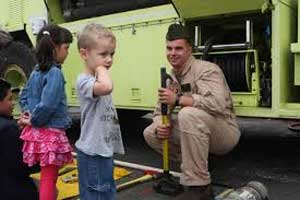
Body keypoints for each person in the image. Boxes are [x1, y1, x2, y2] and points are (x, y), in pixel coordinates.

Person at [143, 23, 241, 200]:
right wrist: (160, 126)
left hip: (224, 131)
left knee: (187, 113)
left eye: (178, 48)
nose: (173, 53)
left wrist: (180, 100)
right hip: (199, 130)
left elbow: (218, 104)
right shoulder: (170, 78)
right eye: (169, 48)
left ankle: (200, 188)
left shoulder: (207, 70)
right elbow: (159, 113)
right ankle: (201, 164)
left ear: (189, 49)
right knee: (150, 133)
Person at [18, 24, 74, 200]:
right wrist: (33, 119)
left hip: (36, 133)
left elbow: (24, 96)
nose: (67, 52)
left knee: (46, 177)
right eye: (66, 48)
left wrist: (28, 115)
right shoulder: (55, 73)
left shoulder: (35, 72)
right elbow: (48, 105)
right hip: (50, 133)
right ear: (54, 48)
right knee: (49, 179)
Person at [76, 23, 124, 200]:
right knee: (97, 193)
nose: (109, 59)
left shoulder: (95, 79)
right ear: (84, 54)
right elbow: (107, 87)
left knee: (106, 192)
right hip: (92, 154)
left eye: (112, 54)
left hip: (103, 151)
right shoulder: (84, 81)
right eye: (103, 54)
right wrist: (101, 69)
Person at [0, 79, 39, 200]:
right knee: (50, 189)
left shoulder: (9, 127)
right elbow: (26, 166)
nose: (13, 103)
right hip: (12, 190)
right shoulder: (8, 129)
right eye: (9, 99)